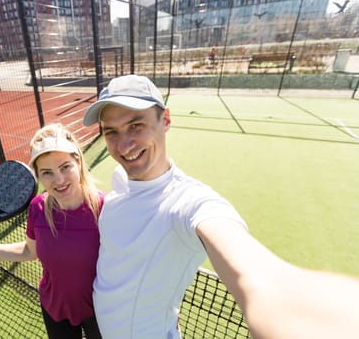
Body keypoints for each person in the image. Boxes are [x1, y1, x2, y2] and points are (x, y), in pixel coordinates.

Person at [82, 74, 359, 339]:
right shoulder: (119, 187)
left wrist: (284, 299)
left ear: (165, 119)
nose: (124, 144)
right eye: (111, 132)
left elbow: (249, 264)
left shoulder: (187, 201)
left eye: (136, 126)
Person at [0, 123, 105, 339]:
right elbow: (29, 251)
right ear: (38, 176)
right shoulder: (38, 207)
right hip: (54, 308)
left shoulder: (105, 208)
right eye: (47, 172)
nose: (59, 180)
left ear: (78, 162)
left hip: (100, 311)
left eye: (65, 167)